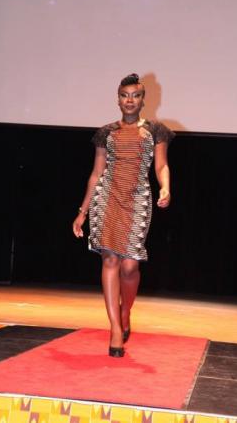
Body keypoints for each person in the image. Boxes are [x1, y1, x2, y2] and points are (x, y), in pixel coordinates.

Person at [73, 73, 174, 357]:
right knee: (110, 258)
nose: (129, 100)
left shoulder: (156, 130)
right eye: (124, 95)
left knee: (130, 266)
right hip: (107, 197)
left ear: (143, 99)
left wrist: (165, 187)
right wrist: (82, 212)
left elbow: (161, 166)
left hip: (137, 197)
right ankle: (115, 328)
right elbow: (96, 174)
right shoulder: (106, 132)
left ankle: (125, 310)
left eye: (135, 95)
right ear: (118, 99)